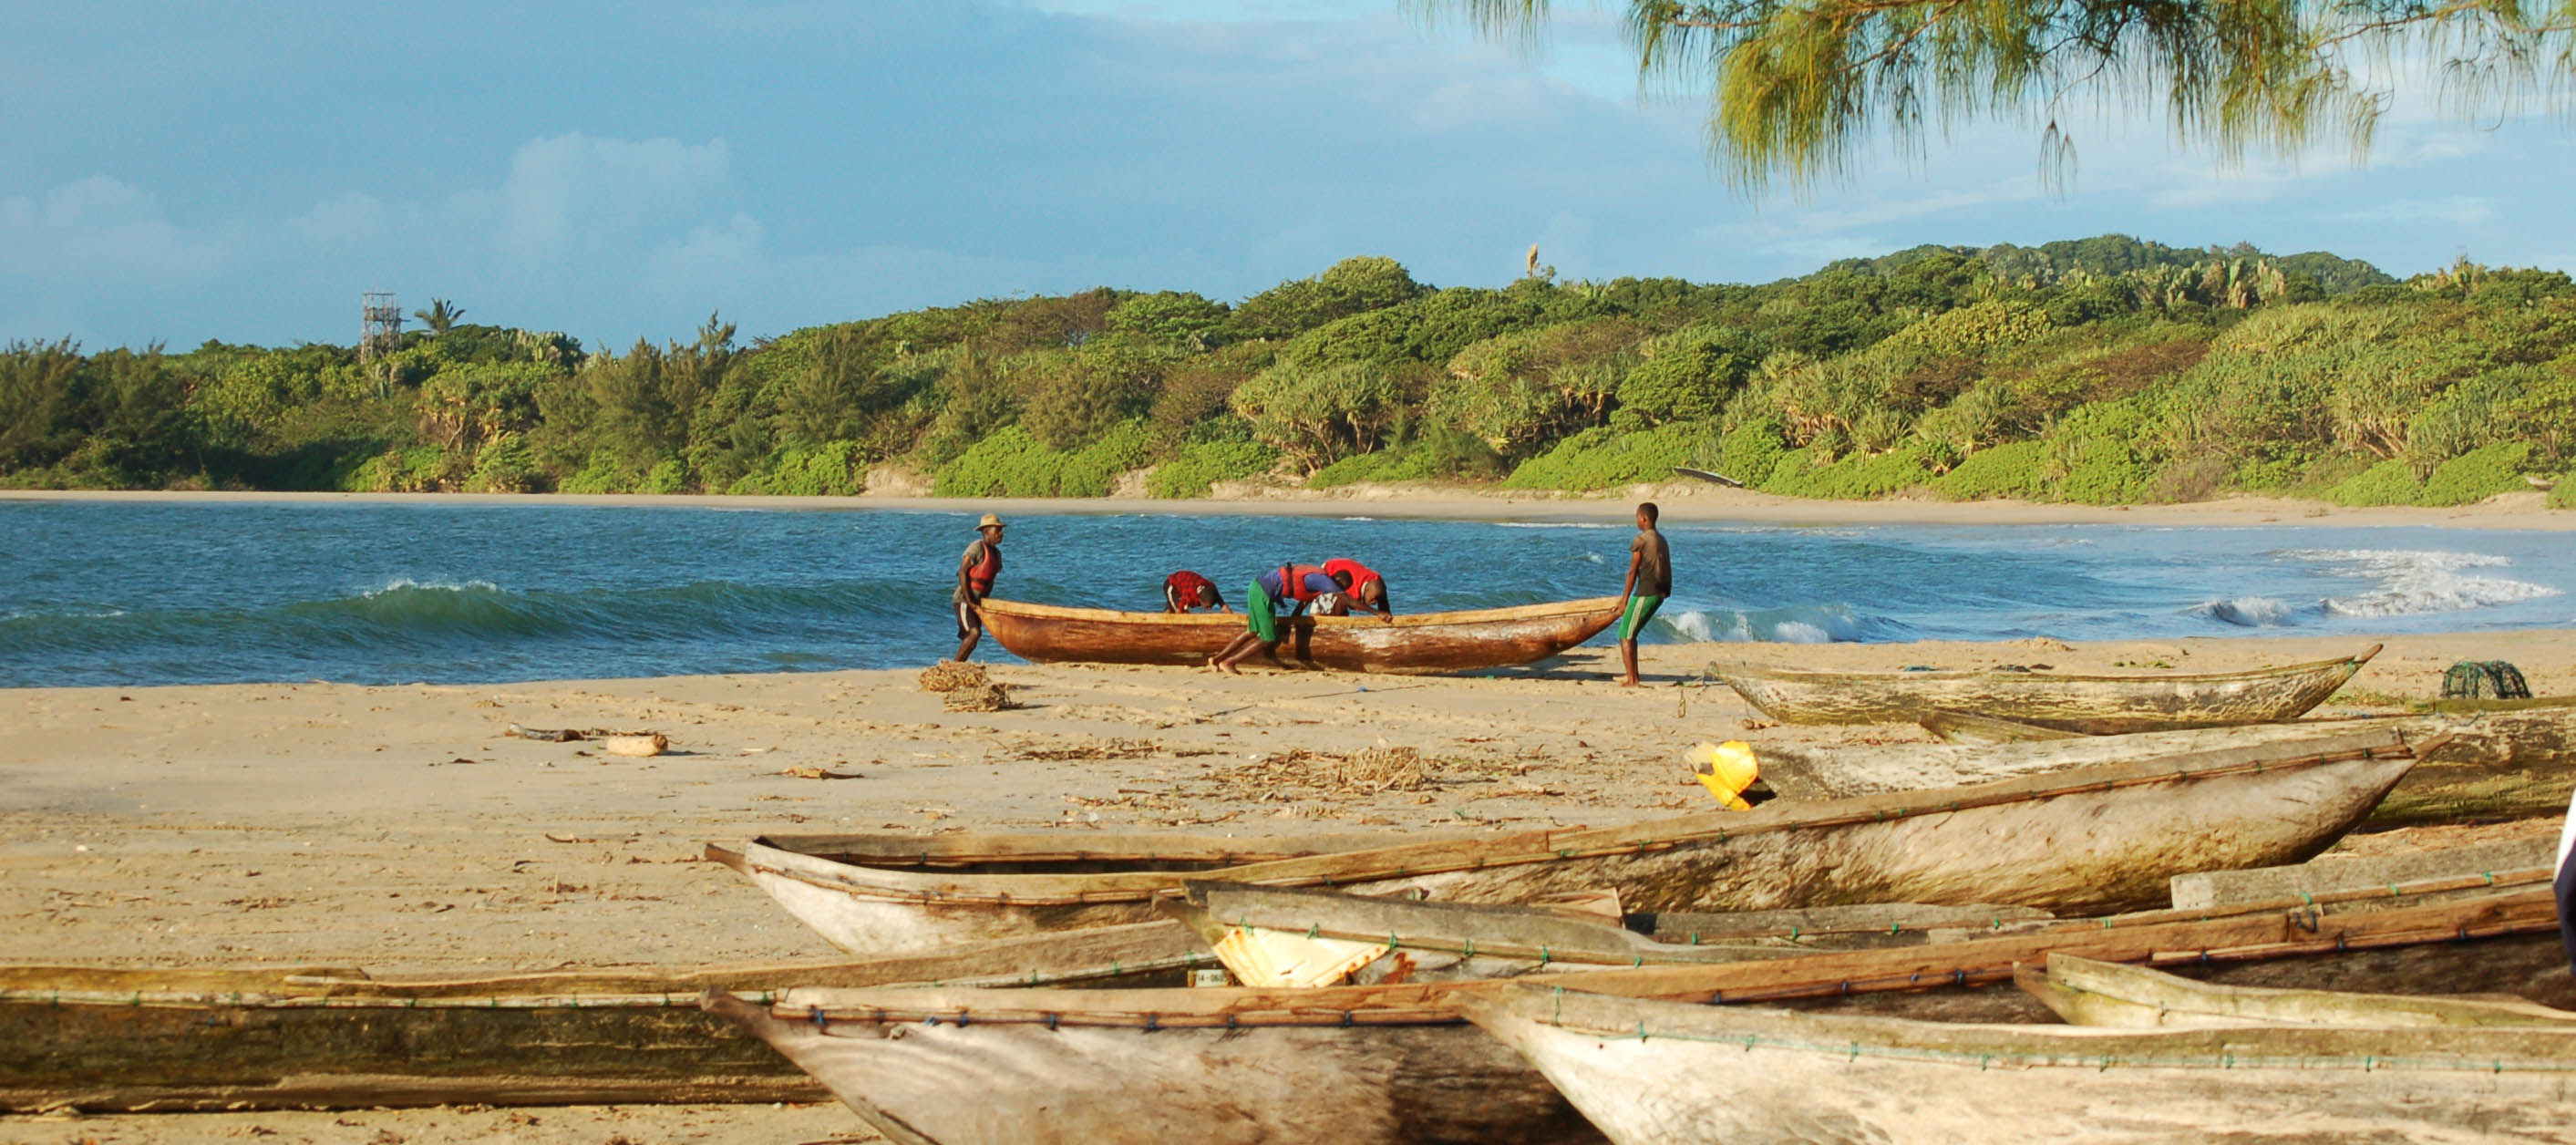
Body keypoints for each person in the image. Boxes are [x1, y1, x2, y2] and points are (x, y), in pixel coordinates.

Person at [1208, 562, 1351, 674]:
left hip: (1256, 587)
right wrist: (1372, 612)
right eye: (1342, 586)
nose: (1340, 590)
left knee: (1252, 631)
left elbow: (1302, 603)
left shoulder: (1317, 582)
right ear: (1338, 580)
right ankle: (1230, 662)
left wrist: (1294, 620)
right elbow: (1348, 600)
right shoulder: (1324, 580)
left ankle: (1216, 659)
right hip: (1263, 593)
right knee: (1268, 638)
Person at [1615, 501, 1670, 687]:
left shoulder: (1641, 540)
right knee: (1632, 633)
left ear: (1644, 518)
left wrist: (1624, 600)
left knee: (1625, 634)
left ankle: (1633, 680)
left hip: (1646, 592)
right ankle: (1631, 675)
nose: (1636, 520)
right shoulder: (1661, 539)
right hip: (1659, 592)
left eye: (1637, 517)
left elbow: (1632, 571)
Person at [951, 513, 1005, 662]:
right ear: (986, 532)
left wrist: (984, 604)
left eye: (1001, 531)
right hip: (963, 600)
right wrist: (969, 600)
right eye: (997, 530)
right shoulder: (976, 547)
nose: (1001, 534)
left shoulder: (997, 554)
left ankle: (960, 665)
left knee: (972, 638)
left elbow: (990, 581)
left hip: (977, 602)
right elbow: (962, 572)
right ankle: (954, 666)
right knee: (974, 633)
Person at [1322, 557, 1394, 619]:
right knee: (1340, 602)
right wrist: (1377, 613)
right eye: (1373, 598)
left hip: (1351, 571)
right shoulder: (1354, 588)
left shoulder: (1379, 584)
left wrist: (1386, 615)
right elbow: (1350, 601)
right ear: (1367, 590)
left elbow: (1385, 606)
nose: (1375, 602)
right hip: (1329, 571)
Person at [1163, 570, 1231, 614]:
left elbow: (1224, 607)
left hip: (1183, 585)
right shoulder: (1189, 595)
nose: (1209, 609)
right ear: (1200, 600)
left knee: (1170, 609)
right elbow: (1181, 611)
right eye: (1208, 607)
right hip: (1171, 585)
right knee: (1177, 610)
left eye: (1211, 606)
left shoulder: (1213, 592)